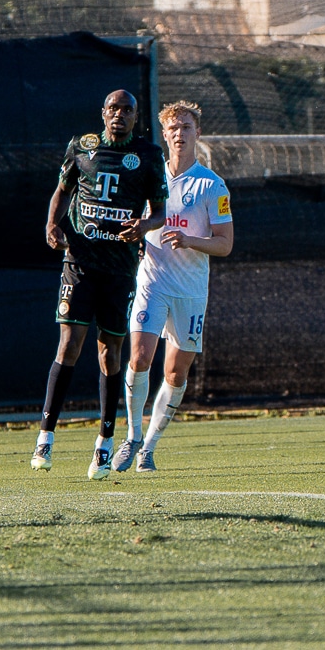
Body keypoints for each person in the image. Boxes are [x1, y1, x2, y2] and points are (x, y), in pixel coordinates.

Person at [33, 89, 166, 480]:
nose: (119, 115)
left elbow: (159, 212)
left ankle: (105, 444)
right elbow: (62, 191)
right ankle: (45, 437)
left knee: (110, 353)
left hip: (120, 269)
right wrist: (51, 224)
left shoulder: (148, 156)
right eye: (113, 108)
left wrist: (143, 225)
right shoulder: (82, 146)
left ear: (135, 116)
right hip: (79, 262)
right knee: (69, 344)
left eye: (127, 109)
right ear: (103, 113)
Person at [115, 100, 231, 475]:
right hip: (153, 281)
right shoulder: (151, 177)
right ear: (164, 135)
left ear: (198, 134)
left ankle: (149, 447)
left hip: (191, 290)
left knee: (175, 375)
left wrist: (190, 239)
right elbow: (136, 219)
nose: (180, 134)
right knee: (138, 358)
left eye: (186, 127)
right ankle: (132, 437)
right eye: (173, 128)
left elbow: (225, 244)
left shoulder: (211, 185)